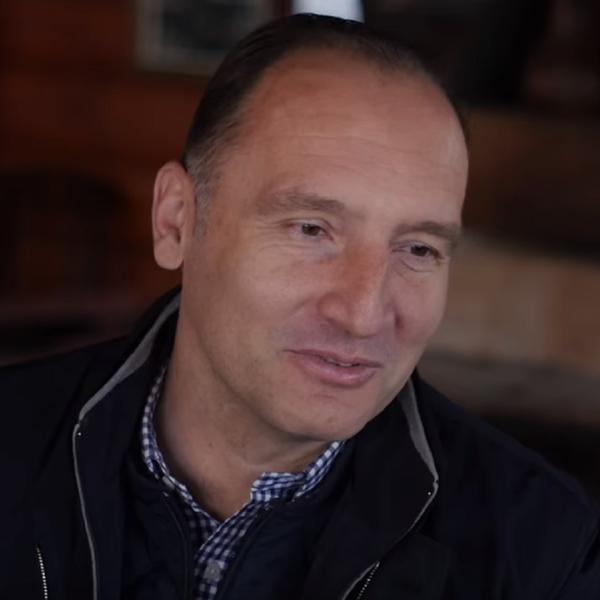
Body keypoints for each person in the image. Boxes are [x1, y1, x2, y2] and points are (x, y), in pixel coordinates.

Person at [1, 14, 598, 600]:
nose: (363, 314)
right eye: (311, 229)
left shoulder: (544, 551)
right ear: (176, 221)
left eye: (418, 248)